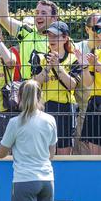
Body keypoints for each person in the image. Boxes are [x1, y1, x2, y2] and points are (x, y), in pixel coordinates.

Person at [0, 80, 57, 201]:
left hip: (24, 180)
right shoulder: (50, 120)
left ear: (19, 96)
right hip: (47, 180)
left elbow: (1, 154)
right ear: (40, 96)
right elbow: (51, 154)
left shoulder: (15, 122)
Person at [31, 21, 81, 155]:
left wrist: (57, 67)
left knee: (64, 152)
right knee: (44, 151)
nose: (51, 39)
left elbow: (72, 85)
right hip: (44, 108)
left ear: (65, 38)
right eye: (49, 35)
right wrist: (47, 68)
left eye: (56, 36)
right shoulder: (40, 57)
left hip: (65, 109)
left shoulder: (73, 59)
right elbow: (34, 84)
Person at [0, 0, 59, 79]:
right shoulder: (27, 31)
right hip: (27, 87)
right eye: (37, 12)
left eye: (43, 13)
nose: (39, 16)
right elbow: (3, 19)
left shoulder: (62, 38)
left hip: (52, 88)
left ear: (54, 18)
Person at [80, 15, 101, 155]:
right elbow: (88, 83)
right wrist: (84, 66)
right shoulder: (96, 52)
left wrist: (98, 65)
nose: (100, 32)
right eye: (98, 28)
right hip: (96, 104)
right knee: (96, 155)